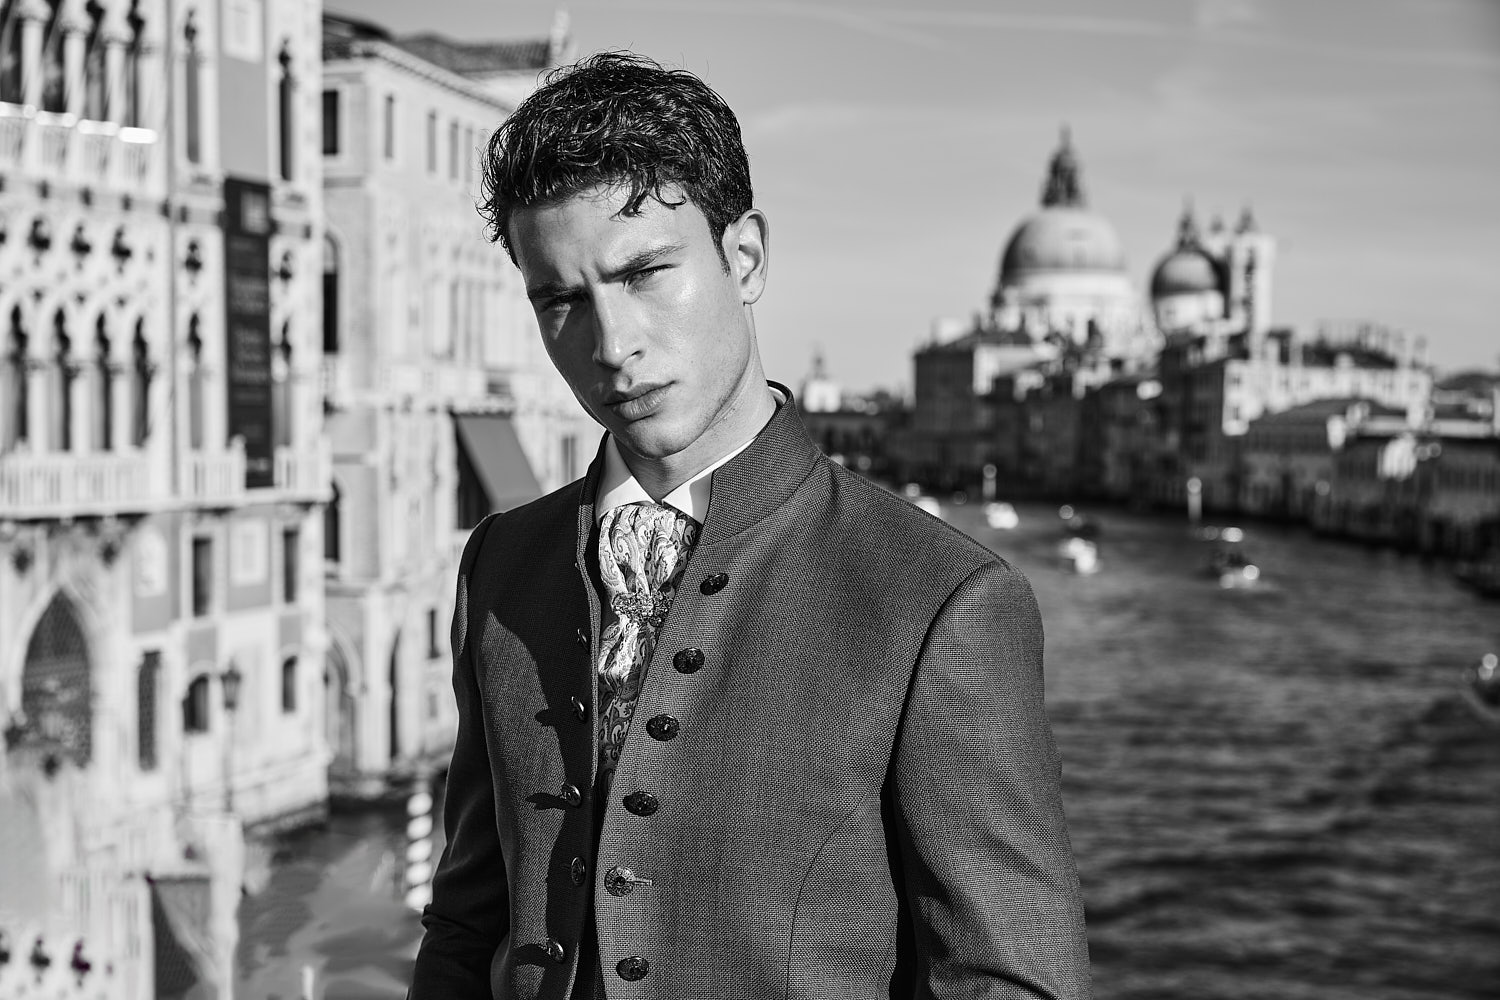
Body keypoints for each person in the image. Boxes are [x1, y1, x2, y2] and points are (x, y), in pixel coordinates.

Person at [409, 52, 1090, 1000]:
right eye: (560, 300)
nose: (612, 345)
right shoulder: (502, 563)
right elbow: (468, 925)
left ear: (746, 258)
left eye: (645, 272)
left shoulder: (940, 600)